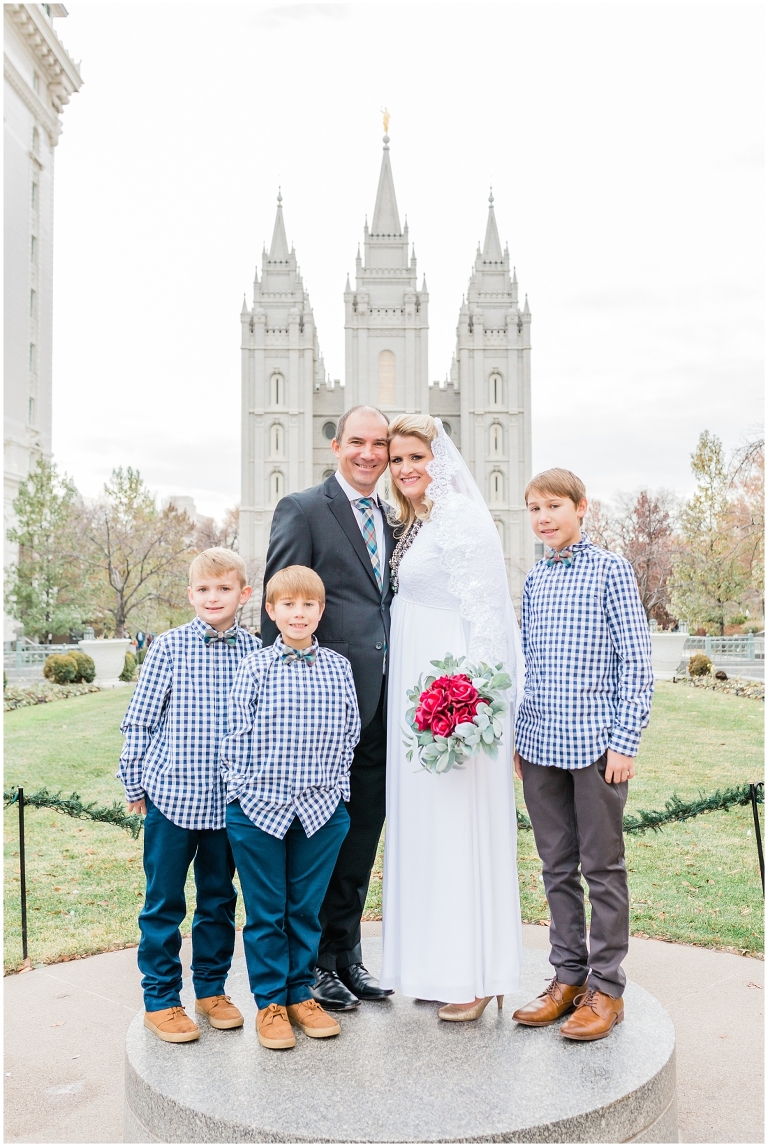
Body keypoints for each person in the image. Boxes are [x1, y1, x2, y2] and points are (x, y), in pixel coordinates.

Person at [379, 414, 525, 1020]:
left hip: (453, 700)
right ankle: (440, 966)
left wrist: (475, 707)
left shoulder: (462, 518)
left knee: (457, 828)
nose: (408, 469)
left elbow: (490, 617)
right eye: (398, 460)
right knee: (427, 829)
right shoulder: (415, 523)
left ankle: (473, 975)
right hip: (416, 694)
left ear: (440, 458)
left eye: (418, 456)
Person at [261, 406, 394, 1010]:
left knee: (361, 835)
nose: (369, 454)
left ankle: (346, 955)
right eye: (358, 442)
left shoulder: (390, 519)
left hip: (380, 708)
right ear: (337, 445)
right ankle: (310, 965)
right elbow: (279, 601)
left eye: (381, 445)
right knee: (316, 841)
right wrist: (276, 703)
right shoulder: (304, 508)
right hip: (314, 713)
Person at [513, 469, 653, 1040]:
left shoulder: (611, 572)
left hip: (596, 747)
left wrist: (625, 741)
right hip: (540, 745)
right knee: (556, 868)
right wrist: (521, 739)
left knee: (601, 867)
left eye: (553, 506)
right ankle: (567, 977)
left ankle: (607, 988)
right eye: (534, 509)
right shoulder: (534, 581)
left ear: (580, 508)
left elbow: (637, 665)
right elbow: (528, 666)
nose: (543, 517)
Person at [118, 548, 260, 1043]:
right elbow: (142, 717)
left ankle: (211, 989)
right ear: (190, 595)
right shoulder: (169, 648)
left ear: (244, 594)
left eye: (224, 589)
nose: (213, 597)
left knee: (219, 899)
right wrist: (135, 780)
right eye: (204, 589)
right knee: (163, 901)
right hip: (172, 799)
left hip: (229, 804)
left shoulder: (254, 652)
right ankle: (160, 998)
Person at [221, 566, 361, 1049]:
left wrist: (337, 789)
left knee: (305, 909)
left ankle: (301, 993)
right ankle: (271, 1004)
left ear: (321, 611)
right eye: (288, 605)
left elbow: (350, 732)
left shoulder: (338, 668)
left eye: (308, 605)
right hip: (259, 808)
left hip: (321, 809)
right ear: (271, 610)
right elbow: (236, 736)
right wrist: (241, 790)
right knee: (266, 912)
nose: (298, 614)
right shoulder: (255, 668)